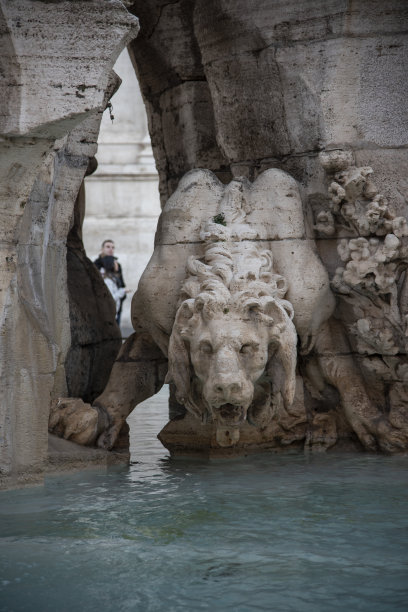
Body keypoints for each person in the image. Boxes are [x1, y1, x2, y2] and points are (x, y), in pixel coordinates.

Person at [94, 239, 127, 325]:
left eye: (113, 247)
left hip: (116, 305)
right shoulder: (96, 264)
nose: (111, 249)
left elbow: (121, 283)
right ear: (102, 249)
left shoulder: (117, 265)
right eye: (108, 247)